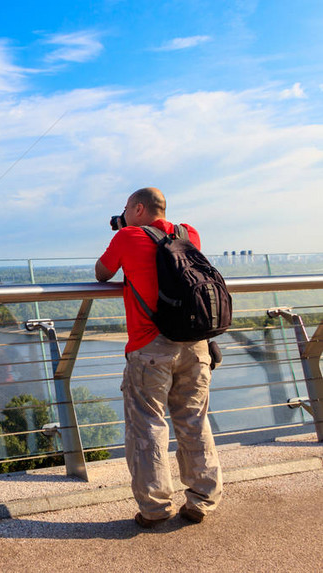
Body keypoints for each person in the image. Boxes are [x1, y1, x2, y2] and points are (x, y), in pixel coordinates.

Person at [95, 187, 222, 528]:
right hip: (195, 343)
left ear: (138, 208)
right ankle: (202, 499)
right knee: (194, 421)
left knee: (147, 426)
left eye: (125, 208)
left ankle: (154, 508)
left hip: (150, 346)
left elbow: (102, 273)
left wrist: (122, 228)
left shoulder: (128, 236)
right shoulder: (188, 233)